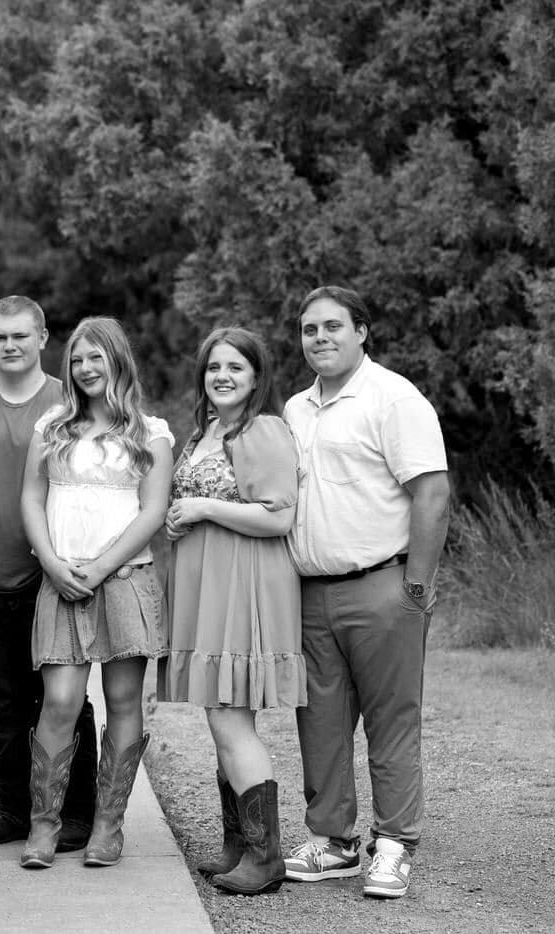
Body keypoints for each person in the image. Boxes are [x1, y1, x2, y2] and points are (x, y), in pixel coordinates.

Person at [281, 286, 449, 899]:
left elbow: (432, 493)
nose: (319, 338)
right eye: (308, 329)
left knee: (390, 722)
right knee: (318, 722)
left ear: (362, 332)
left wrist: (417, 585)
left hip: (383, 585)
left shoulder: (394, 398)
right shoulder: (296, 409)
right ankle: (333, 842)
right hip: (310, 591)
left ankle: (395, 844)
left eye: (332, 326)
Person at [19, 316, 172, 869]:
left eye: (95, 358)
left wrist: (103, 566)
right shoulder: (52, 426)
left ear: (118, 361)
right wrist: (52, 563)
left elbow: (153, 511)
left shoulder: (149, 432)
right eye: (77, 359)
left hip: (126, 581)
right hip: (61, 580)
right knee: (60, 700)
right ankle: (44, 826)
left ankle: (108, 826)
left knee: (124, 700)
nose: (85, 369)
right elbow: (32, 500)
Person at [0, 296, 99, 851]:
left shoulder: (71, 402)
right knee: (6, 703)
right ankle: (13, 808)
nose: (9, 346)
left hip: (54, 582)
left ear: (42, 338)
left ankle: (75, 812)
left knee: (65, 701)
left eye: (19, 336)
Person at [159, 327, 305, 895]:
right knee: (219, 716)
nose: (222, 376)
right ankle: (238, 845)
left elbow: (278, 515)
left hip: (244, 584)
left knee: (227, 714)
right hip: (205, 585)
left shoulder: (262, 430)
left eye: (235, 368)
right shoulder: (207, 431)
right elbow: (201, 504)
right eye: (213, 367)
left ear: (256, 377)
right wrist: (182, 515)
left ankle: (265, 858)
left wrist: (202, 506)